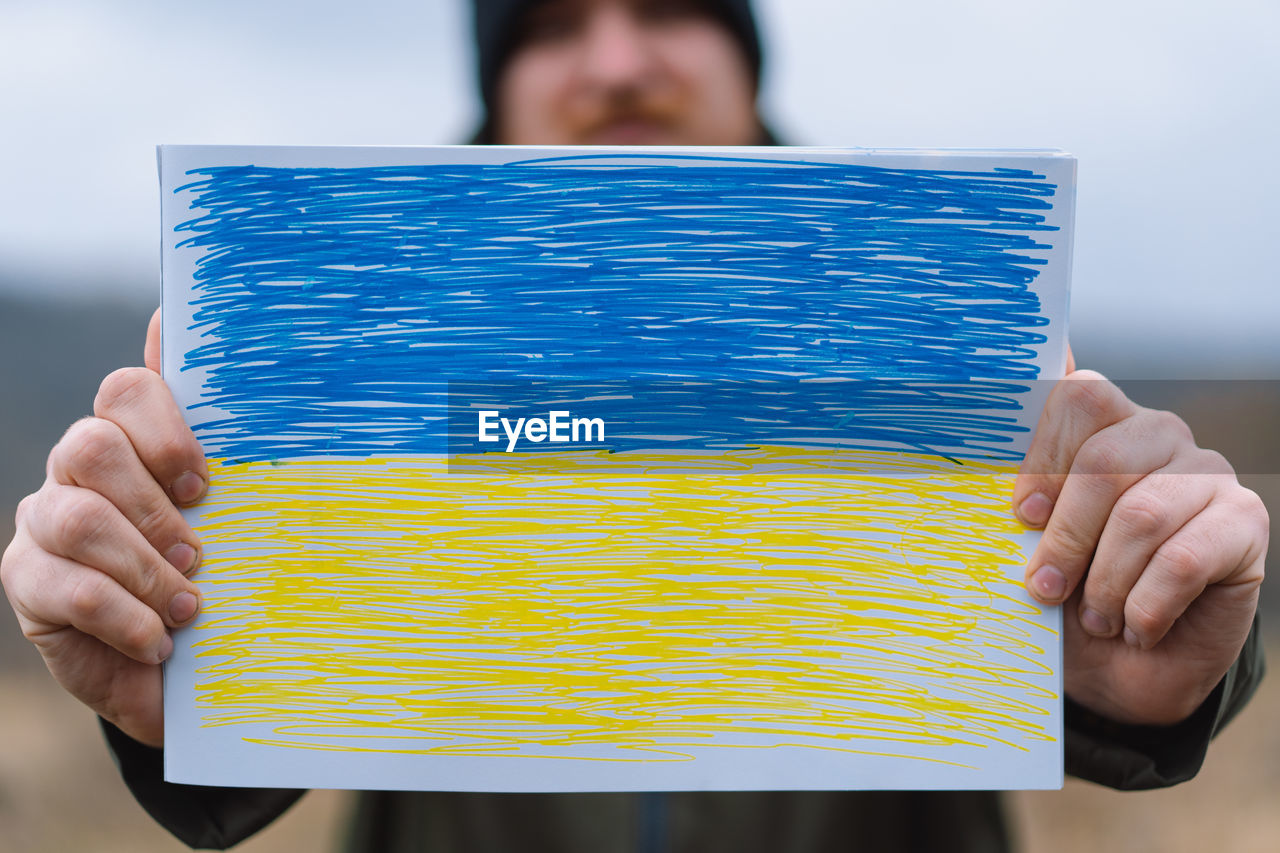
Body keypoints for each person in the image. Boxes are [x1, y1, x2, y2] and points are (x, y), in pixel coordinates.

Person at [0, 0, 1267, 850]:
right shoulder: (342, 329)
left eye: (664, 4)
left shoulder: (934, 297)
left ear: (743, 50)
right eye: (553, 24)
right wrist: (180, 680)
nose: (614, 64)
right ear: (496, 79)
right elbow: (296, 665)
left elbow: (1088, 601)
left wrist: (1151, 654)